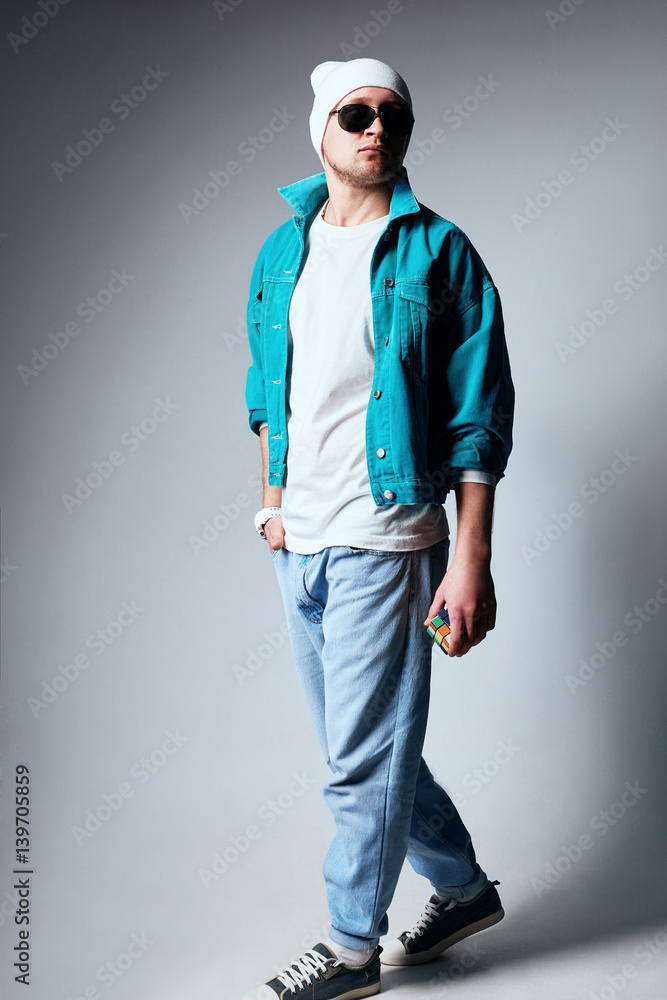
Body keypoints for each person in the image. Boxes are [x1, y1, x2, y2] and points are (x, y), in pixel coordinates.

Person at [242, 57, 514, 999]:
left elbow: (479, 419)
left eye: (391, 117)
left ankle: (351, 950)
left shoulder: (440, 253)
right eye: (354, 113)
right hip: (299, 540)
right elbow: (266, 393)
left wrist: (468, 559)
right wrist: (272, 501)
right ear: (318, 127)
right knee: (367, 752)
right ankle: (465, 891)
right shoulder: (283, 252)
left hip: (390, 537)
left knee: (361, 759)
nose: (374, 130)